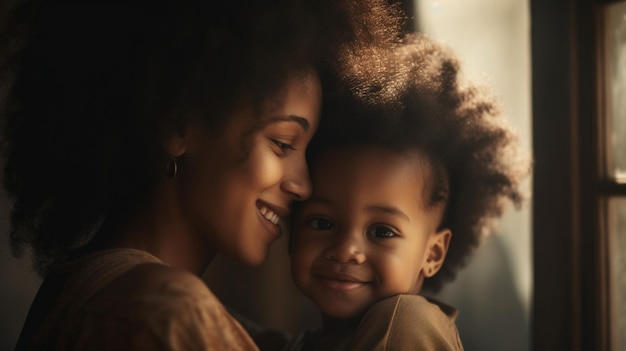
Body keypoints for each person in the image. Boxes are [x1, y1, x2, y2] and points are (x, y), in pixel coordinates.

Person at [0, 0, 404, 349]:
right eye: (282, 143)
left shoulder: (82, 286)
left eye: (306, 152)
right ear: (178, 127)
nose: (303, 185)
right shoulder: (170, 317)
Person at [286, 33, 531, 350]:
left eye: (382, 231)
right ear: (292, 228)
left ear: (432, 254)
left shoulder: (406, 324)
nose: (346, 248)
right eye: (322, 223)